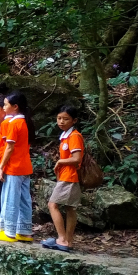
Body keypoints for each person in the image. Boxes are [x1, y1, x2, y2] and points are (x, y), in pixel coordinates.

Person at [0, 91, 35, 243]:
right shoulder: (24, 122)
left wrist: (1, 166)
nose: (3, 107)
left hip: (14, 167)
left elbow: (9, 147)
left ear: (15, 107)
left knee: (10, 198)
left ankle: (9, 231)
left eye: (5, 105)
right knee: (24, 199)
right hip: (24, 166)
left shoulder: (14, 124)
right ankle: (24, 231)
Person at [42, 105, 85, 252]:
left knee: (52, 205)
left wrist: (60, 162)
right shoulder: (66, 136)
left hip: (70, 176)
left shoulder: (74, 136)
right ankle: (68, 241)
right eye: (59, 118)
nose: (61, 121)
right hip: (66, 176)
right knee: (69, 208)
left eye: (65, 119)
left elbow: (77, 158)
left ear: (74, 120)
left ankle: (62, 238)